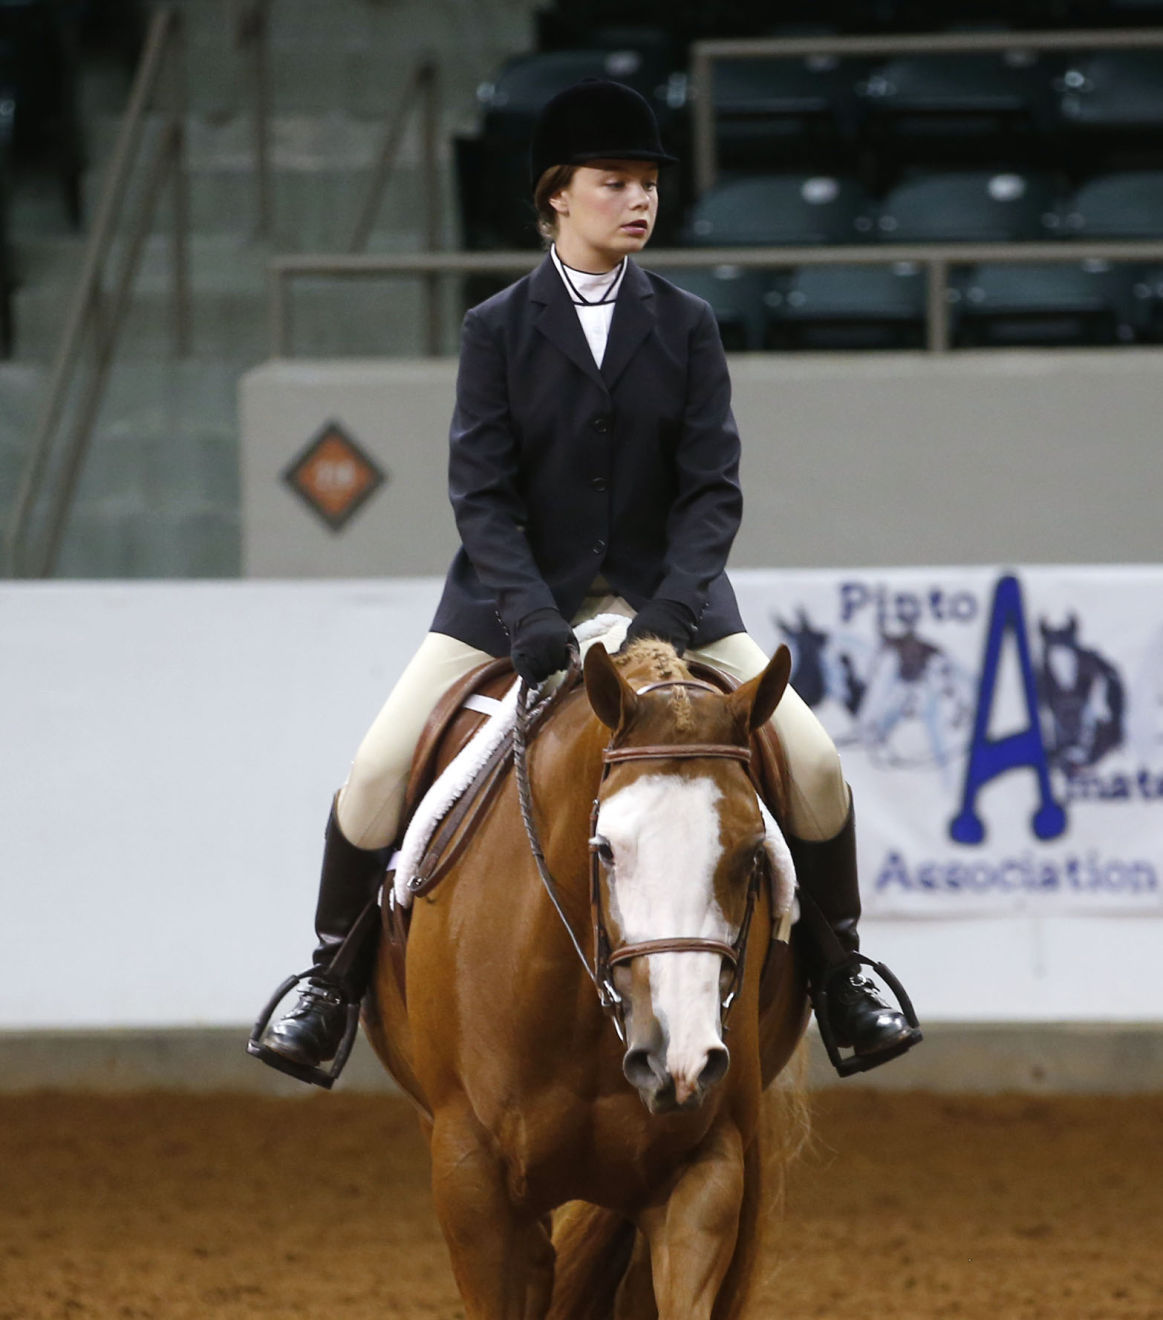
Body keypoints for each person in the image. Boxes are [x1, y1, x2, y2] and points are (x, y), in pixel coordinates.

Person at [252, 78, 921, 1085]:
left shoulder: (686, 323)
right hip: (507, 607)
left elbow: (711, 492)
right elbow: (482, 494)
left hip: (675, 606)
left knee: (816, 763)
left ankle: (841, 975)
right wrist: (528, 613)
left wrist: (669, 613)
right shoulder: (496, 327)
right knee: (378, 771)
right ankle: (328, 982)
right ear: (556, 195)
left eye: (647, 182)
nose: (639, 199)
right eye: (615, 182)